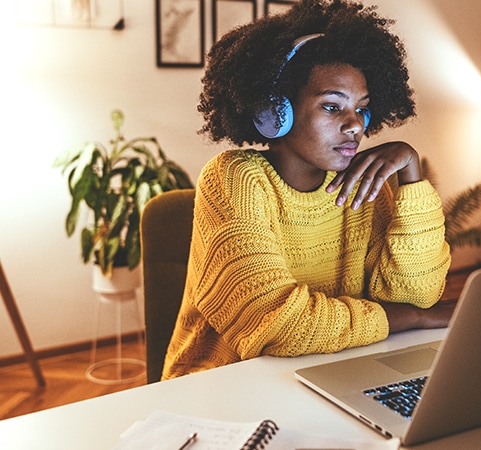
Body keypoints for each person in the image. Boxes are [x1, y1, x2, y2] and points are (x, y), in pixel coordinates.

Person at [161, 0, 454, 380]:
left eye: (361, 109)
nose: (354, 126)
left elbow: (413, 296)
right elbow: (275, 325)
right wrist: (415, 319)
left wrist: (411, 173)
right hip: (225, 385)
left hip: (332, 370)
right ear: (275, 112)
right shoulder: (235, 179)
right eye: (332, 107)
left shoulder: (362, 184)